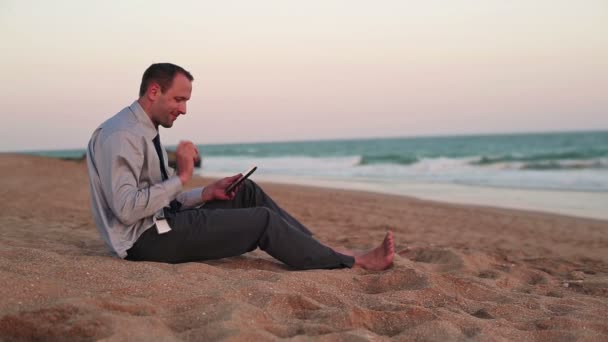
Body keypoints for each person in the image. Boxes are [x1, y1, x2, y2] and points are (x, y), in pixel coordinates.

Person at [86, 63, 394, 270]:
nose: (184, 109)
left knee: (242, 190)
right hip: (146, 241)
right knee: (261, 221)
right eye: (179, 99)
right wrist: (181, 176)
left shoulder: (145, 129)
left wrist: (206, 192)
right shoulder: (122, 135)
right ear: (154, 91)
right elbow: (126, 209)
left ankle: (322, 249)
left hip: (162, 222)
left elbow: (160, 197)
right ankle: (354, 261)